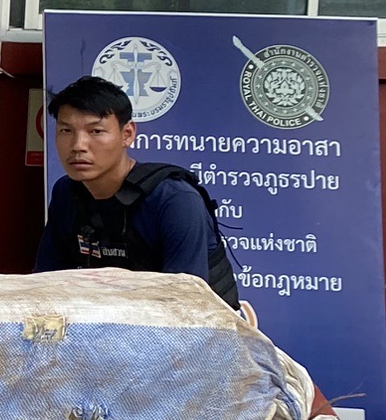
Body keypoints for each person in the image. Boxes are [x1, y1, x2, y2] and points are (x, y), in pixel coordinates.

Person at [35, 73, 241, 306]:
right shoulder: (67, 192)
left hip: (198, 322)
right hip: (110, 318)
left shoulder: (175, 200)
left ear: (127, 134)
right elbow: (46, 283)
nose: (78, 146)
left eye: (96, 131)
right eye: (66, 131)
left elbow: (185, 304)